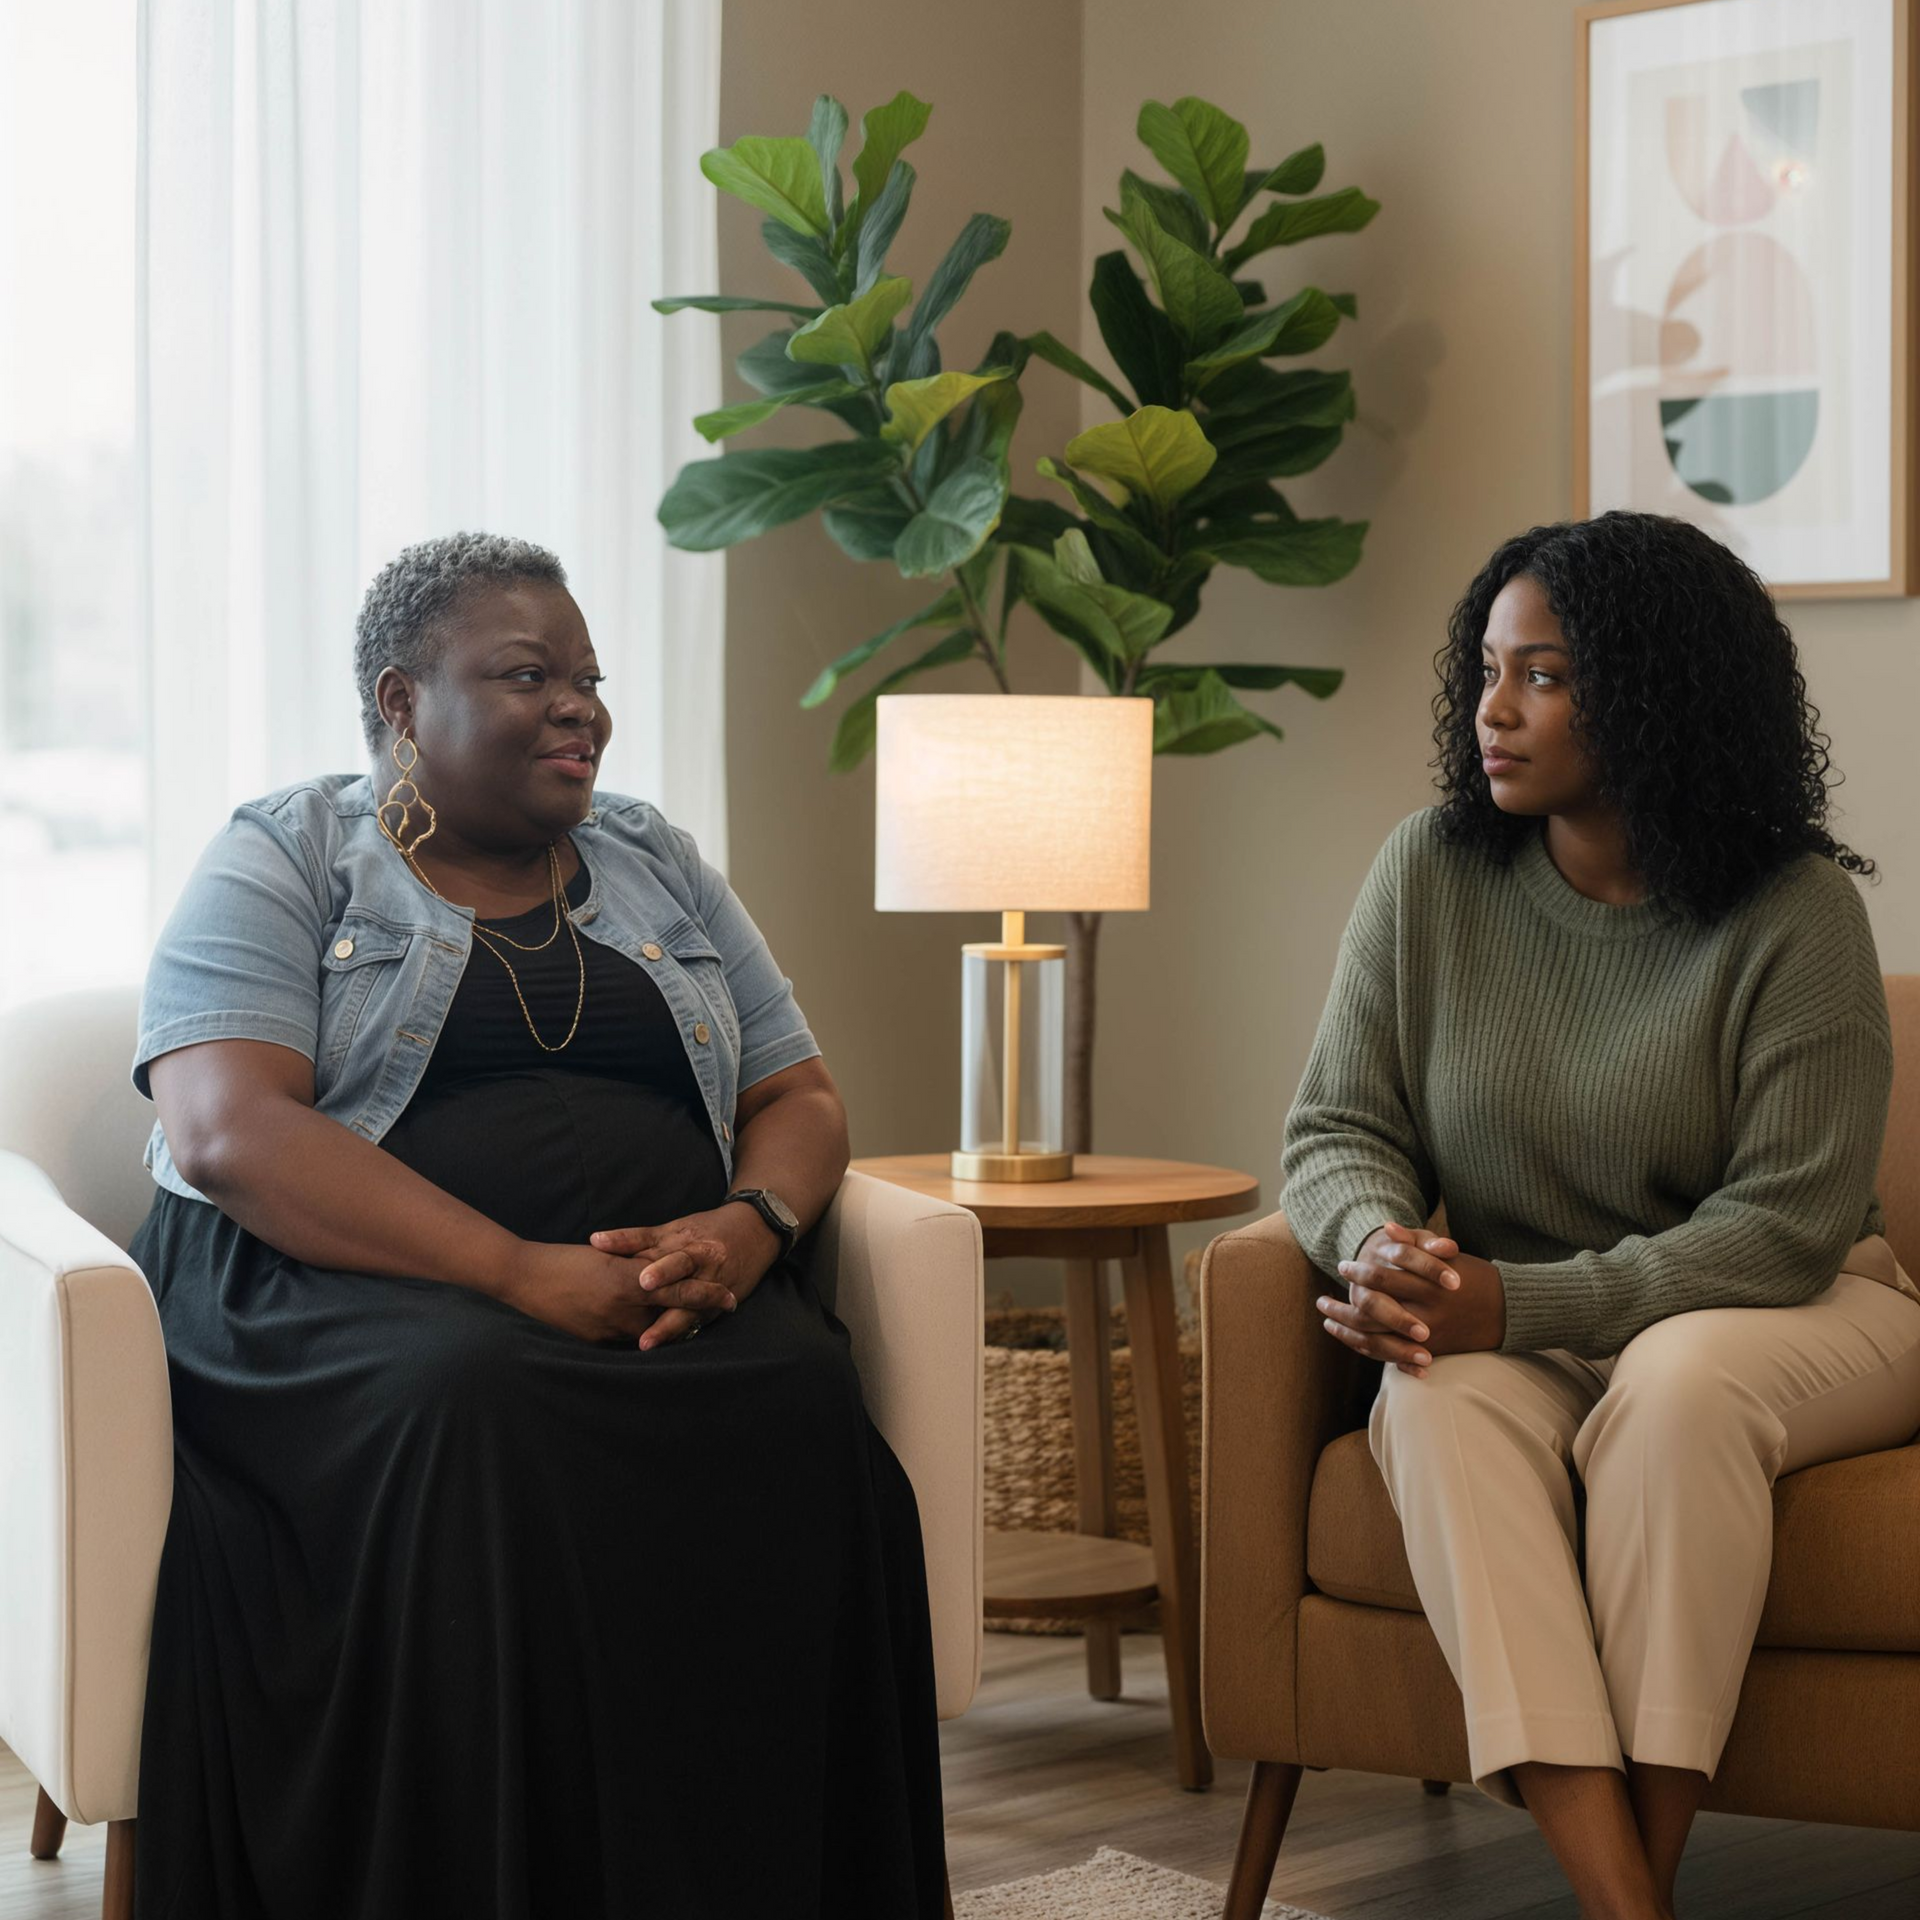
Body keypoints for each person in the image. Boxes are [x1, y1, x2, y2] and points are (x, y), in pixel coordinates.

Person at [128, 531, 947, 1919]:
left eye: (590, 676)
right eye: (527, 675)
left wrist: (752, 1230)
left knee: (805, 1388)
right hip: (340, 1295)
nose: (582, 706)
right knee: (478, 1399)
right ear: (400, 703)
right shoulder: (288, 853)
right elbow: (230, 1131)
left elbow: (799, 1094)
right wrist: (520, 1273)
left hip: (646, 1285)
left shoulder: (653, 861)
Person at [1279, 512, 1920, 1920]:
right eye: (1489, 671)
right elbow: (1336, 1131)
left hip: (1801, 1311)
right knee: (1431, 1398)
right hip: (1531, 1324)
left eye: (1547, 676)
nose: (1492, 712)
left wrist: (1522, 1303)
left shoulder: (1792, 907)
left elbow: (1787, 1224)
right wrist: (1380, 1241)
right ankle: (1623, 1906)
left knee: (1680, 1391)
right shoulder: (1430, 874)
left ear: (1656, 694)